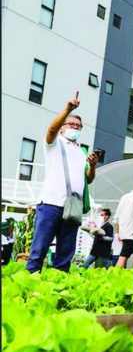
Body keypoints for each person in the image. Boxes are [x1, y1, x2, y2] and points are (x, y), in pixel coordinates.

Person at [26, 93, 99, 273]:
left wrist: (92, 165)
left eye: (78, 126)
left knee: (65, 254)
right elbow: (51, 130)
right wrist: (68, 109)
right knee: (39, 250)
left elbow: (88, 179)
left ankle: (57, 288)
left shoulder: (82, 152)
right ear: (62, 128)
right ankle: (29, 286)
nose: (75, 127)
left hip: (72, 207)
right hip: (51, 203)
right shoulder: (55, 143)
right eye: (71, 124)